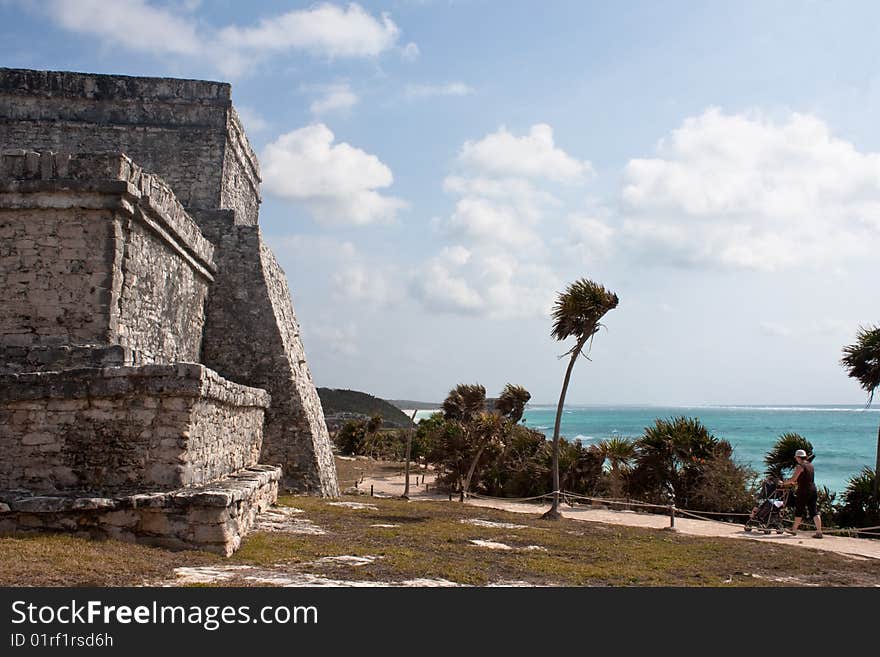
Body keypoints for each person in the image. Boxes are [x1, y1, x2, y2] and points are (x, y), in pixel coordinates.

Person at [780, 449, 822, 538]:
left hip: (803, 491)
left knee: (799, 511)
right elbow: (804, 478)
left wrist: (783, 483)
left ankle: (794, 530)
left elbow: (793, 479)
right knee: (814, 511)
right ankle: (819, 531)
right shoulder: (810, 465)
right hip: (813, 490)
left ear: (798, 457)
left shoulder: (800, 466)